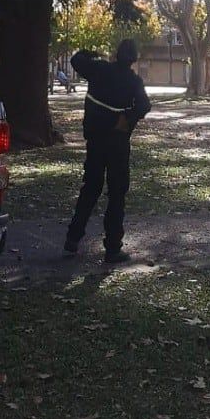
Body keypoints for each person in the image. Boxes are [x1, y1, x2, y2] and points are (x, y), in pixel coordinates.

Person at [64, 39, 151, 264]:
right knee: (117, 194)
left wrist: (91, 52)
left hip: (96, 139)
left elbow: (76, 59)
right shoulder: (134, 81)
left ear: (115, 53)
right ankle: (113, 248)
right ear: (134, 59)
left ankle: (73, 238)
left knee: (90, 188)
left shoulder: (99, 69)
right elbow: (144, 106)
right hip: (118, 143)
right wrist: (128, 118)